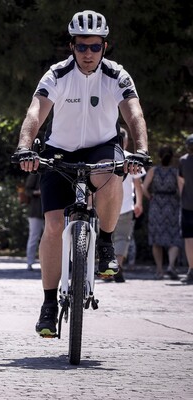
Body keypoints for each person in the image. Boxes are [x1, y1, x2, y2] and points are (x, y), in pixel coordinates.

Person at [12, 10, 149, 337]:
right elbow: (35, 111)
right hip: (59, 150)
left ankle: (104, 243)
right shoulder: (57, 75)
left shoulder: (117, 76)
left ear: (105, 46)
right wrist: (24, 147)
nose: (88, 54)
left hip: (102, 146)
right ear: (71, 46)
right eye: (82, 47)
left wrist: (140, 150)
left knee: (112, 173)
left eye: (95, 47)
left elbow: (134, 114)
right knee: (54, 225)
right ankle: (48, 304)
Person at [142, 146, 182, 280]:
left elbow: (144, 187)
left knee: (156, 240)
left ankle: (159, 270)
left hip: (156, 206)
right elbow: (181, 191)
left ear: (159, 157)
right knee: (174, 237)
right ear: (172, 158)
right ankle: (171, 266)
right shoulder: (176, 171)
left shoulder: (153, 170)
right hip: (172, 205)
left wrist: (150, 197)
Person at [111, 128, 145, 283]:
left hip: (107, 206)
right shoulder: (132, 158)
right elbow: (138, 184)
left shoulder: (105, 157)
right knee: (123, 238)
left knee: (108, 237)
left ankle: (109, 266)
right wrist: (139, 203)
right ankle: (117, 265)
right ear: (125, 141)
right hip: (126, 205)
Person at [178, 134, 193, 284]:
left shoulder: (183, 161)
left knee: (189, 239)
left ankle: (191, 269)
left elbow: (180, 183)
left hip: (187, 205)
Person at [24, 174, 44, 271]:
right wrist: (38, 192)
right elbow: (27, 190)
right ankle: (30, 262)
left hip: (52, 211)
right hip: (36, 211)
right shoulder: (35, 173)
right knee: (33, 237)